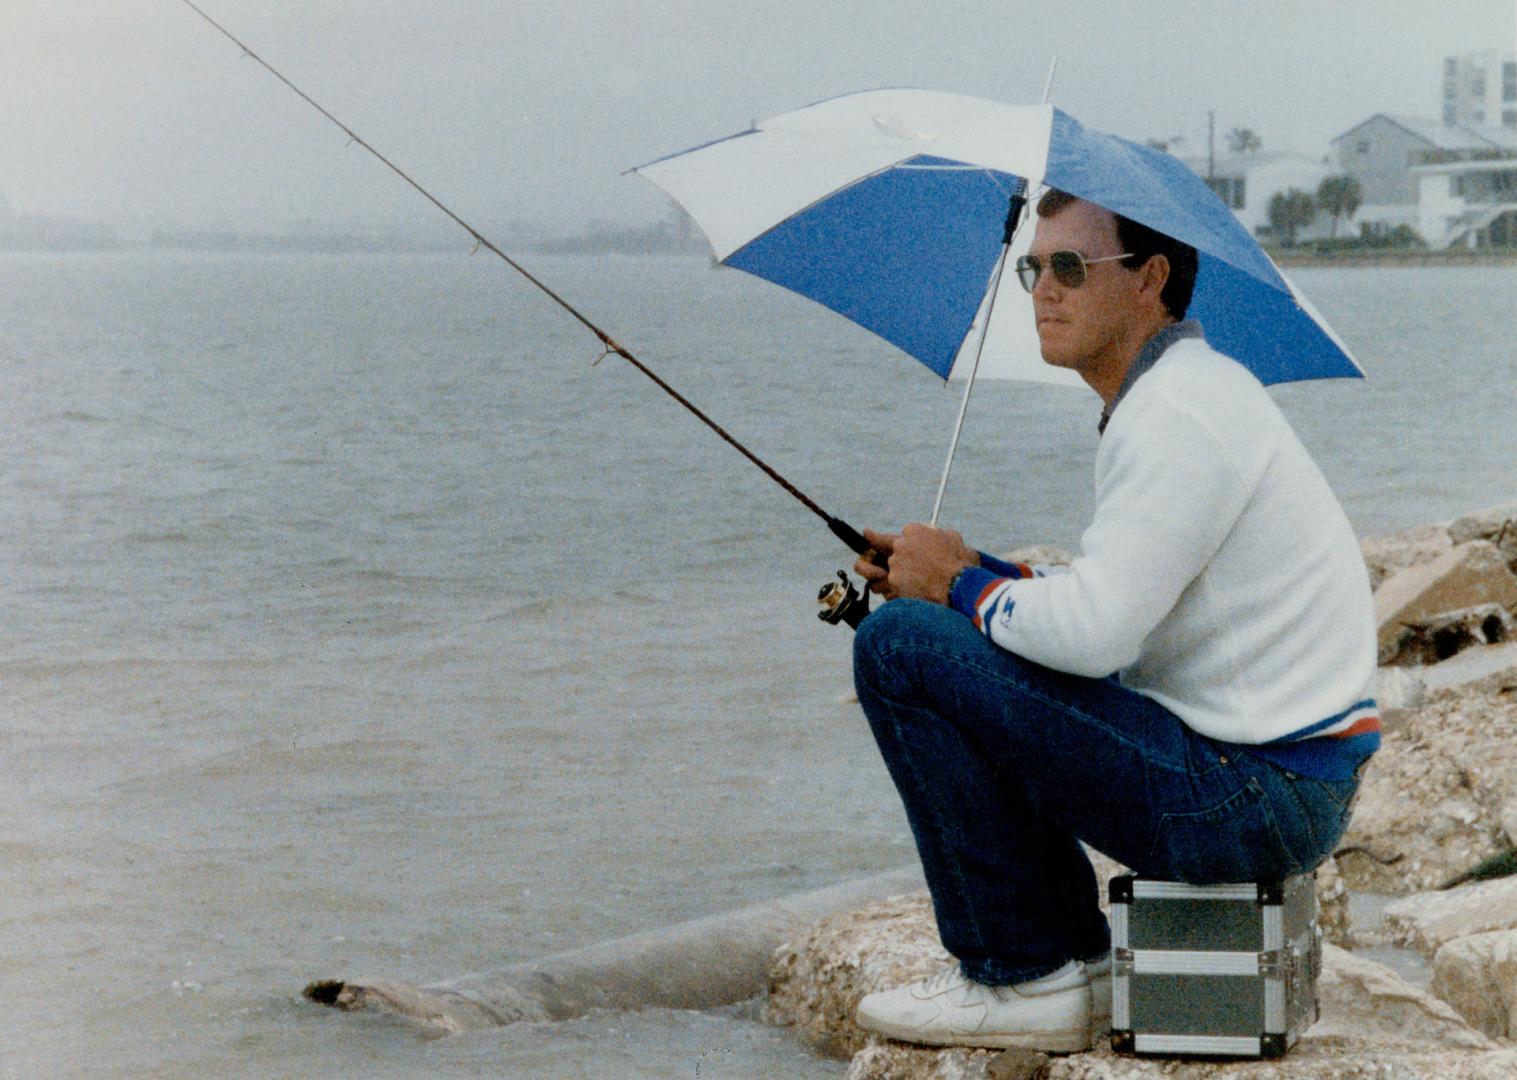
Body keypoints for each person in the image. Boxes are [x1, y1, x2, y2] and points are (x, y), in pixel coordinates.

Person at [847, 189, 1379, 1053]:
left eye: (1068, 267)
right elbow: (1123, 599)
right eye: (1031, 268)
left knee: (900, 648)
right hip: (1271, 781)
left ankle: (1024, 972)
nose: (1041, 292)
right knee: (942, 628)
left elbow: (1096, 639)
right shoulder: (1185, 392)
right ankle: (1071, 968)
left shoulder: (1177, 413)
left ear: (1149, 280)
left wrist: (954, 590)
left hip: (1252, 795)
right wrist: (969, 574)